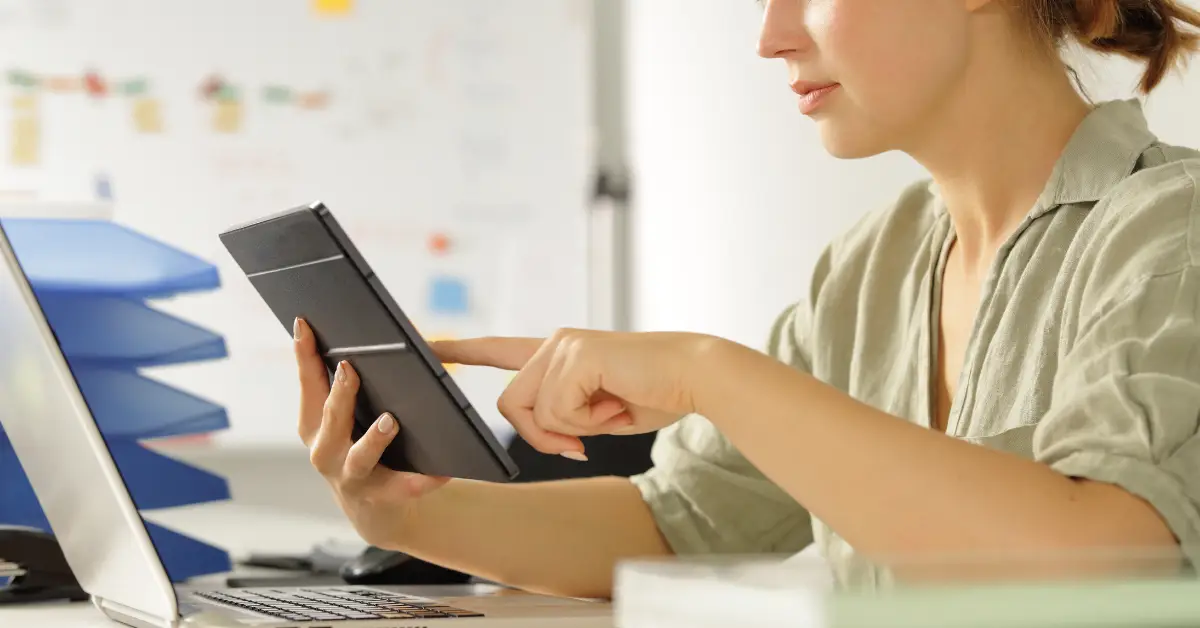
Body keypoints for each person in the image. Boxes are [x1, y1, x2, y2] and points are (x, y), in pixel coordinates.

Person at [293, 0, 1200, 599]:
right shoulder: (869, 268)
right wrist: (405, 511)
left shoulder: (1174, 228)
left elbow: (1102, 569)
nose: (771, 37)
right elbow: (677, 522)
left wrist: (705, 372)